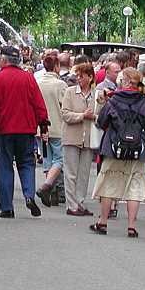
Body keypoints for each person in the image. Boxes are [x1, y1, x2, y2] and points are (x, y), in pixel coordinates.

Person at [90, 67, 145, 237]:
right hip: (139, 150)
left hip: (114, 148)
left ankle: (103, 222)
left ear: (126, 81)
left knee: (108, 184)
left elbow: (101, 122)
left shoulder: (113, 100)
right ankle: (131, 226)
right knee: (134, 188)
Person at [0, 45, 49, 219]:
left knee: (4, 167)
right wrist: (43, 123)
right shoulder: (28, 78)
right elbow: (38, 103)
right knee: (27, 164)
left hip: (3, 130)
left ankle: (7, 207)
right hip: (26, 129)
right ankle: (28, 195)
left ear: (2, 60)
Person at [54, 60, 98, 216]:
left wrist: (94, 117)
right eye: (77, 76)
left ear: (90, 77)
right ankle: (71, 205)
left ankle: (80, 202)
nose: (79, 79)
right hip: (71, 137)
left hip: (88, 139)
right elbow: (65, 114)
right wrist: (82, 116)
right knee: (71, 172)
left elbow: (102, 116)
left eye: (82, 76)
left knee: (84, 173)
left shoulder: (96, 94)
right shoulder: (70, 92)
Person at [34, 52, 67, 206]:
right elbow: (65, 106)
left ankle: (50, 191)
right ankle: (47, 186)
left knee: (47, 158)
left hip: (41, 127)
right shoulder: (60, 85)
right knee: (60, 159)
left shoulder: (37, 82)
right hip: (57, 127)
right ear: (56, 66)